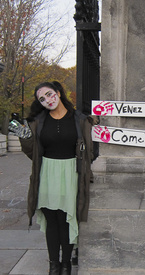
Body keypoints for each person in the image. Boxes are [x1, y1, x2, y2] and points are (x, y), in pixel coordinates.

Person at [8, 81, 97, 275]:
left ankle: (66, 265)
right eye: (42, 99)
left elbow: (90, 150)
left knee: (65, 220)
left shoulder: (79, 119)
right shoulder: (39, 122)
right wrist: (25, 137)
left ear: (58, 92)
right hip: (47, 172)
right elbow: (33, 153)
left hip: (71, 173)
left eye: (49, 94)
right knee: (51, 220)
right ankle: (53, 265)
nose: (47, 100)